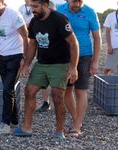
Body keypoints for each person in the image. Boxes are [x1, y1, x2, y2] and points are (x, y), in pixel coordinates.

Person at [13, 0, 79, 140]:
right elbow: (32, 44)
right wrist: (27, 63)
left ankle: (59, 132)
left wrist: (73, 68)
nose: (32, 10)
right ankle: (27, 128)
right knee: (29, 91)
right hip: (42, 63)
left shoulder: (60, 19)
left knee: (57, 96)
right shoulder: (34, 22)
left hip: (61, 64)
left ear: (45, 5)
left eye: (35, 6)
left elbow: (74, 43)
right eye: (31, 6)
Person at [57, 0, 101, 137]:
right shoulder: (60, 9)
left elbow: (97, 37)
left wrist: (95, 61)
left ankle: (76, 126)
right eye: (73, 1)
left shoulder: (90, 12)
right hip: (64, 55)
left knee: (81, 91)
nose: (76, 4)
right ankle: (77, 119)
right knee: (66, 90)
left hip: (84, 55)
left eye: (79, 1)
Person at [0, 0, 28, 134]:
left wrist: (25, 59)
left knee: (7, 89)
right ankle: (14, 119)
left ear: (2, 2)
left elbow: (26, 38)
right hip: (2, 56)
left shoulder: (14, 15)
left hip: (16, 55)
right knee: (8, 89)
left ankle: (5, 123)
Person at [103, 6, 118, 75]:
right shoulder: (111, 16)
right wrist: (109, 46)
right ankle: (104, 84)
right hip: (114, 46)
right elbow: (107, 31)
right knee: (108, 68)